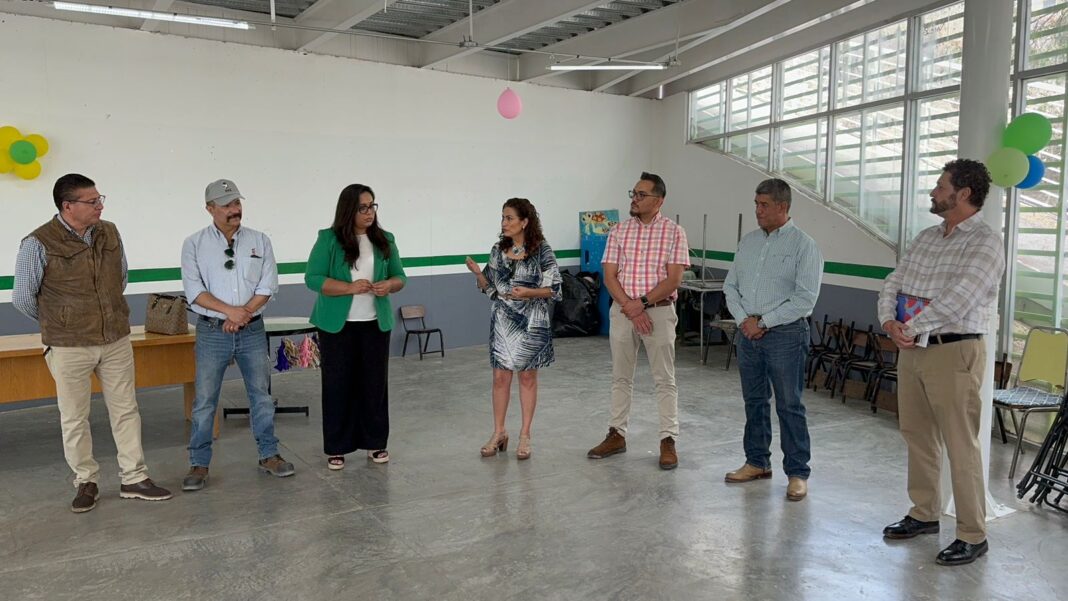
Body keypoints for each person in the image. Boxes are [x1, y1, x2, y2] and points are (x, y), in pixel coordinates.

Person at [13, 173, 172, 512]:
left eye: (100, 199)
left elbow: (120, 277)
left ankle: (134, 478)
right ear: (68, 206)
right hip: (68, 345)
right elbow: (23, 297)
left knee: (126, 409)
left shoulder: (109, 232)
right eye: (92, 201)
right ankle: (86, 481)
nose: (100, 206)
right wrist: (61, 321)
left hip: (115, 338)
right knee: (74, 416)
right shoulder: (37, 242)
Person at [878, 159, 1004, 566]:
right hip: (912, 348)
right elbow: (894, 281)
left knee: (960, 444)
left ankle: (972, 534)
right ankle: (924, 513)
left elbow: (961, 298)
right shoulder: (926, 237)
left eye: (940, 185)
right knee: (916, 434)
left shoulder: (985, 243)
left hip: (954, 351)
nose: (933, 192)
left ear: (963, 193)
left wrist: (909, 326)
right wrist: (888, 321)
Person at [181, 179, 292, 491]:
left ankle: (268, 455)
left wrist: (242, 314)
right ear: (210, 209)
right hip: (212, 332)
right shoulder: (194, 244)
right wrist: (231, 312)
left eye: (237, 203)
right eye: (227, 205)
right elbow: (194, 291)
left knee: (261, 396)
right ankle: (199, 463)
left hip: (252, 330)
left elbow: (268, 285)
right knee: (205, 400)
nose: (235, 210)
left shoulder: (260, 240)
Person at [722, 178, 823, 502]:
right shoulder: (748, 242)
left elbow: (805, 299)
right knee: (754, 401)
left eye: (764, 205)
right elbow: (730, 286)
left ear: (783, 206)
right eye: (756, 204)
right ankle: (757, 462)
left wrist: (763, 322)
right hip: (748, 334)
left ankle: (797, 473)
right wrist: (745, 321)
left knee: (789, 404)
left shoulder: (803, 245)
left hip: (786, 335)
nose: (758, 210)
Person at [587, 172, 689, 470]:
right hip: (623, 312)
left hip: (658, 311)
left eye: (641, 194)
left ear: (659, 200)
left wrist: (641, 304)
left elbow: (673, 280)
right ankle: (616, 434)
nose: (634, 198)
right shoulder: (619, 231)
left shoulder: (674, 233)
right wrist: (631, 308)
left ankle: (668, 439)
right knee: (621, 376)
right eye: (633, 193)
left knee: (664, 379)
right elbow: (609, 276)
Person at [305, 183, 407, 469]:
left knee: (375, 385)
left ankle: (376, 443)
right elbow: (313, 278)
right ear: (348, 210)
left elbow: (400, 276)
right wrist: (348, 288)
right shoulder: (328, 239)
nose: (369, 212)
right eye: (363, 207)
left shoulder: (385, 239)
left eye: (372, 206)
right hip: (337, 326)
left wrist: (389, 285)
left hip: (375, 324)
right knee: (337, 385)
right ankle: (337, 447)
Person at [465, 198, 562, 460]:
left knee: (527, 378)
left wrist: (529, 292)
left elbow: (555, 289)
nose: (504, 223)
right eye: (502, 217)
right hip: (503, 320)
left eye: (509, 218)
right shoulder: (498, 250)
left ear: (525, 222)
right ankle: (499, 432)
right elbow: (490, 289)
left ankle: (525, 435)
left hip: (531, 322)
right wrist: (477, 273)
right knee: (500, 378)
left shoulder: (542, 251)